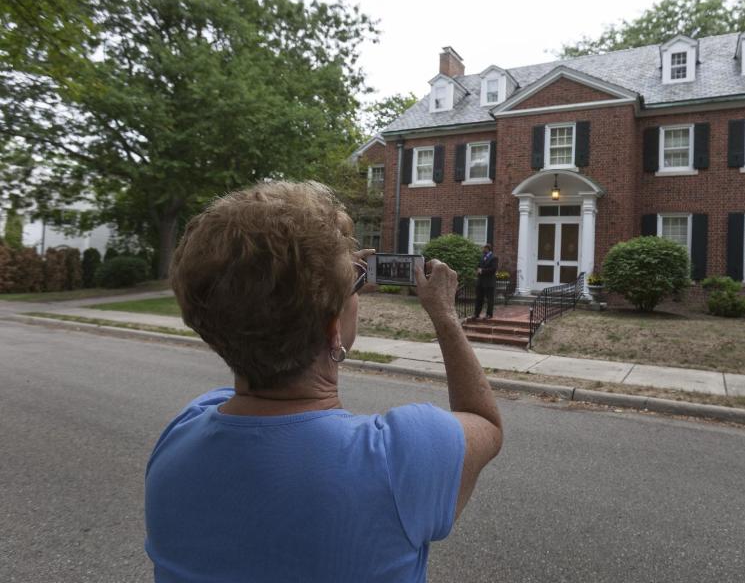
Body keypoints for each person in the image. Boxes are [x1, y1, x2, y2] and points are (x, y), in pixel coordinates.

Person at [145, 181, 503, 583]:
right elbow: (483, 421)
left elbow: (253, 326)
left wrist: (333, 286)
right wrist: (443, 314)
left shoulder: (179, 436)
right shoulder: (399, 457)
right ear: (333, 329)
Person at [473, 243, 498, 320]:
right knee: (479, 298)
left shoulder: (494, 258)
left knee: (489, 299)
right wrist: (477, 270)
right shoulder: (482, 257)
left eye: (483, 248)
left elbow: (493, 269)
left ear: (487, 249)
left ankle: (489, 314)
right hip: (480, 282)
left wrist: (482, 271)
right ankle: (476, 314)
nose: (482, 250)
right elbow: (478, 266)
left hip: (489, 282)